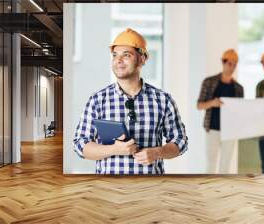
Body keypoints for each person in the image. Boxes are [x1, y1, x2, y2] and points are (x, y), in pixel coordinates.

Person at [73, 28, 188, 174]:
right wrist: (114, 149)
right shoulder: (97, 100)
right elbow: (80, 145)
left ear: (142, 59)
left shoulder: (163, 100)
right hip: (109, 190)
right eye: (115, 55)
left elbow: (180, 141)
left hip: (150, 190)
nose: (118, 60)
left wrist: (157, 152)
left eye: (126, 55)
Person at [197, 49, 244, 174]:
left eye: (235, 64)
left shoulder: (239, 88)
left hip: (230, 130)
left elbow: (240, 111)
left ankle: (222, 190)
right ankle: (209, 189)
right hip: (212, 128)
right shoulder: (209, 82)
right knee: (211, 163)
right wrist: (213, 103)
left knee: (225, 165)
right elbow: (199, 105)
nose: (232, 67)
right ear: (223, 63)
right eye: (230, 63)